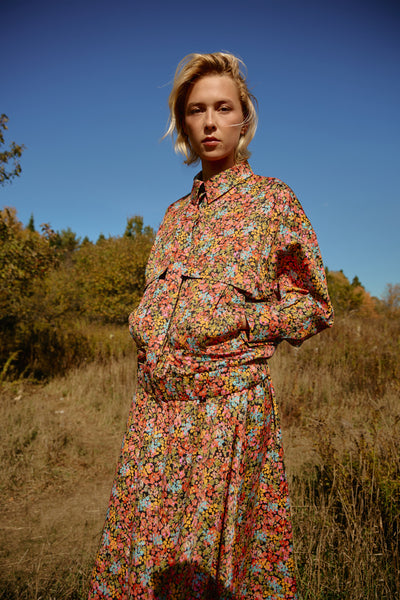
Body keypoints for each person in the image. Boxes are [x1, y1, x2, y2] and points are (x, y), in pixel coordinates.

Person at [88, 52, 333, 600]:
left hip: (227, 416)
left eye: (223, 108)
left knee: (210, 570)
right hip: (155, 419)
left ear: (244, 119)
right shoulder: (174, 216)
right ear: (183, 123)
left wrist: (238, 320)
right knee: (144, 565)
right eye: (196, 110)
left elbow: (313, 305)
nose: (209, 122)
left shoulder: (272, 201)